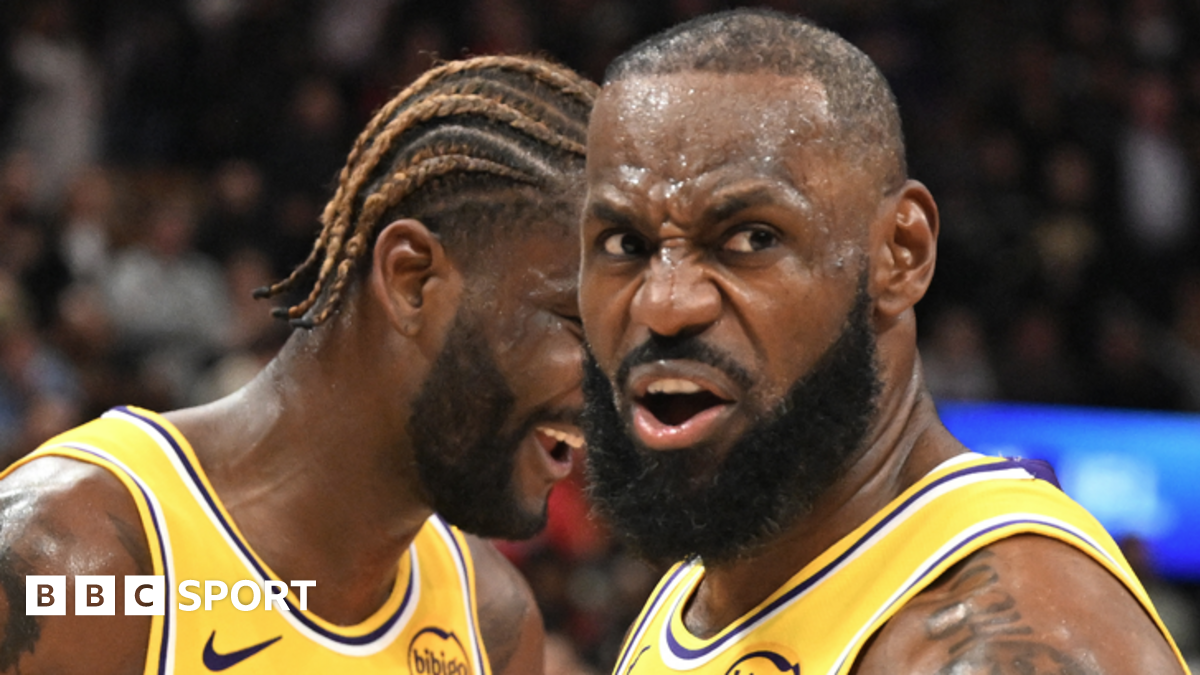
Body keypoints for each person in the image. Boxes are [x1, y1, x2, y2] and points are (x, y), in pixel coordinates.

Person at [577, 10, 1190, 675]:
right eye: (625, 245)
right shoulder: (713, 581)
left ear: (902, 253)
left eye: (752, 238)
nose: (665, 304)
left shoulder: (994, 646)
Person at [0, 55, 595, 674]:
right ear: (412, 279)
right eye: (578, 325)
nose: (613, 390)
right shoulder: (75, 568)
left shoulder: (492, 626)